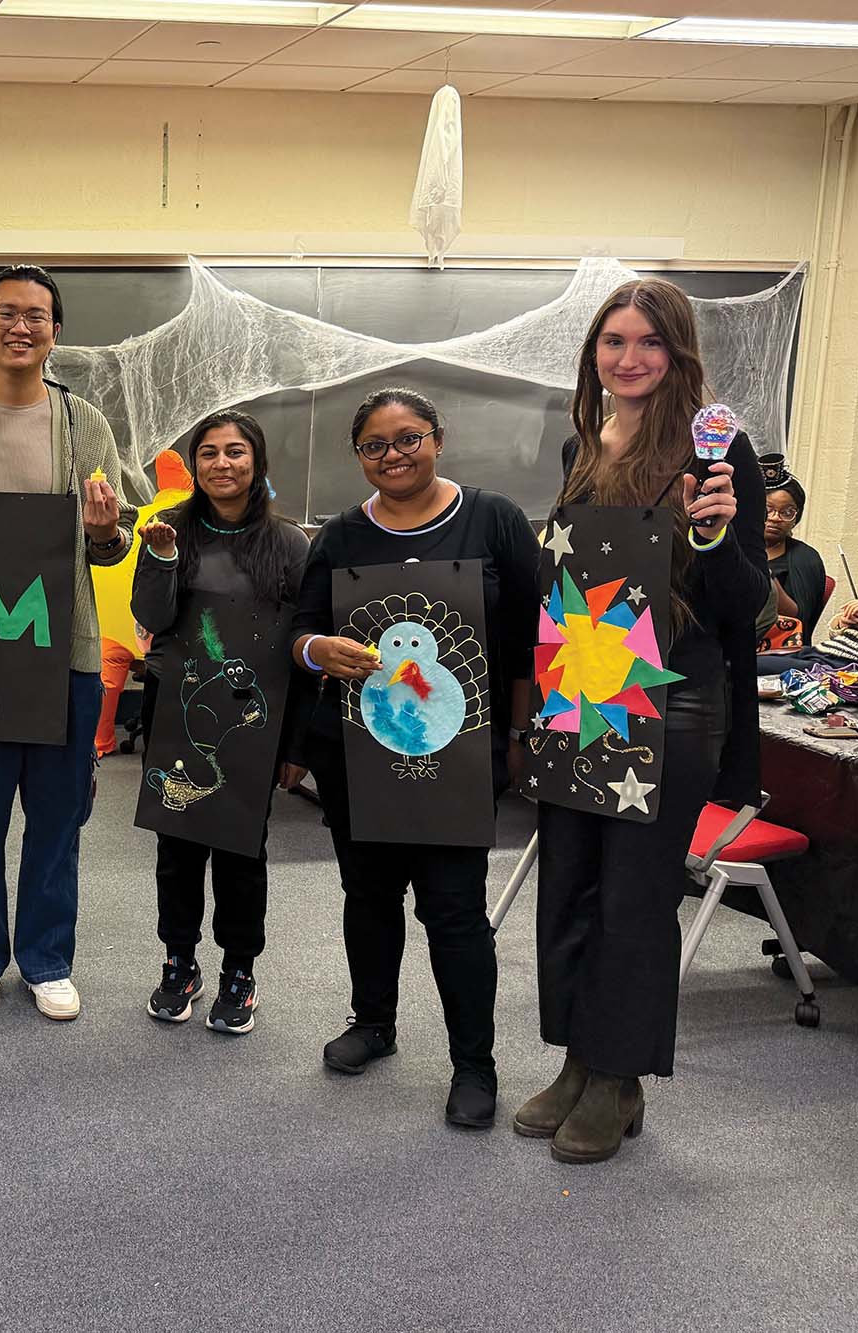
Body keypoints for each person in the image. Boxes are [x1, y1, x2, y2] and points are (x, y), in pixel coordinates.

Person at [519, 278, 767, 1164]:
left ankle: (618, 1080)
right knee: (571, 885)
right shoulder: (581, 446)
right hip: (582, 691)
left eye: (650, 342)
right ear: (594, 351)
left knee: (634, 896)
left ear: (678, 351)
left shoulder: (717, 450)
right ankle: (581, 1058)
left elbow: (746, 603)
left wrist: (714, 536)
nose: (630, 358)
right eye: (614, 341)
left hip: (672, 705)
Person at [291, 388, 537, 1130]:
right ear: (358, 455)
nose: (393, 455)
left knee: (454, 909)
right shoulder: (340, 536)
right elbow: (301, 630)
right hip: (359, 753)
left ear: (438, 437)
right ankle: (373, 1022)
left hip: (460, 753)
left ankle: (475, 1064)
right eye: (374, 445)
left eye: (408, 438)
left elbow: (532, 637)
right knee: (367, 894)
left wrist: (520, 735)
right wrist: (317, 650)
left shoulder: (493, 519)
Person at [0, 265, 134, 1021]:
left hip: (64, 653)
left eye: (37, 315)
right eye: (6, 313)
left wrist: (104, 533)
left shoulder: (85, 423)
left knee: (58, 815)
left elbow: (107, 550)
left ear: (55, 333)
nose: (21, 326)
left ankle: (46, 959)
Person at [131, 409, 309, 1034]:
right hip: (177, 713)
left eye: (235, 451)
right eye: (208, 453)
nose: (222, 464)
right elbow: (152, 617)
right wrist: (159, 559)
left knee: (241, 854)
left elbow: (303, 647)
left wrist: (294, 743)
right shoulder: (169, 530)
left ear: (256, 462)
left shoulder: (288, 544)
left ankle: (240, 969)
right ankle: (179, 961)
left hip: (253, 723)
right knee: (176, 850)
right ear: (195, 465)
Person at [759, 453, 828, 646]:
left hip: (775, 649)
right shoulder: (734, 548)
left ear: (797, 517)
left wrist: (764, 572)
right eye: (767, 509)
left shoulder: (806, 559)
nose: (775, 518)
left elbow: (798, 620)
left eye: (787, 512)